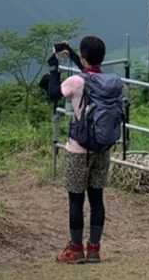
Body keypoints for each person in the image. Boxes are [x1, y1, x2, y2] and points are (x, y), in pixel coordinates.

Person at [39, 35, 125, 263]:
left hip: (79, 149)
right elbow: (89, 73)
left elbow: (53, 94)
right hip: (102, 148)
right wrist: (75, 56)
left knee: (76, 200)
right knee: (97, 199)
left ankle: (76, 249)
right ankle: (94, 249)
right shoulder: (109, 82)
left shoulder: (75, 82)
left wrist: (54, 66)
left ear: (85, 57)